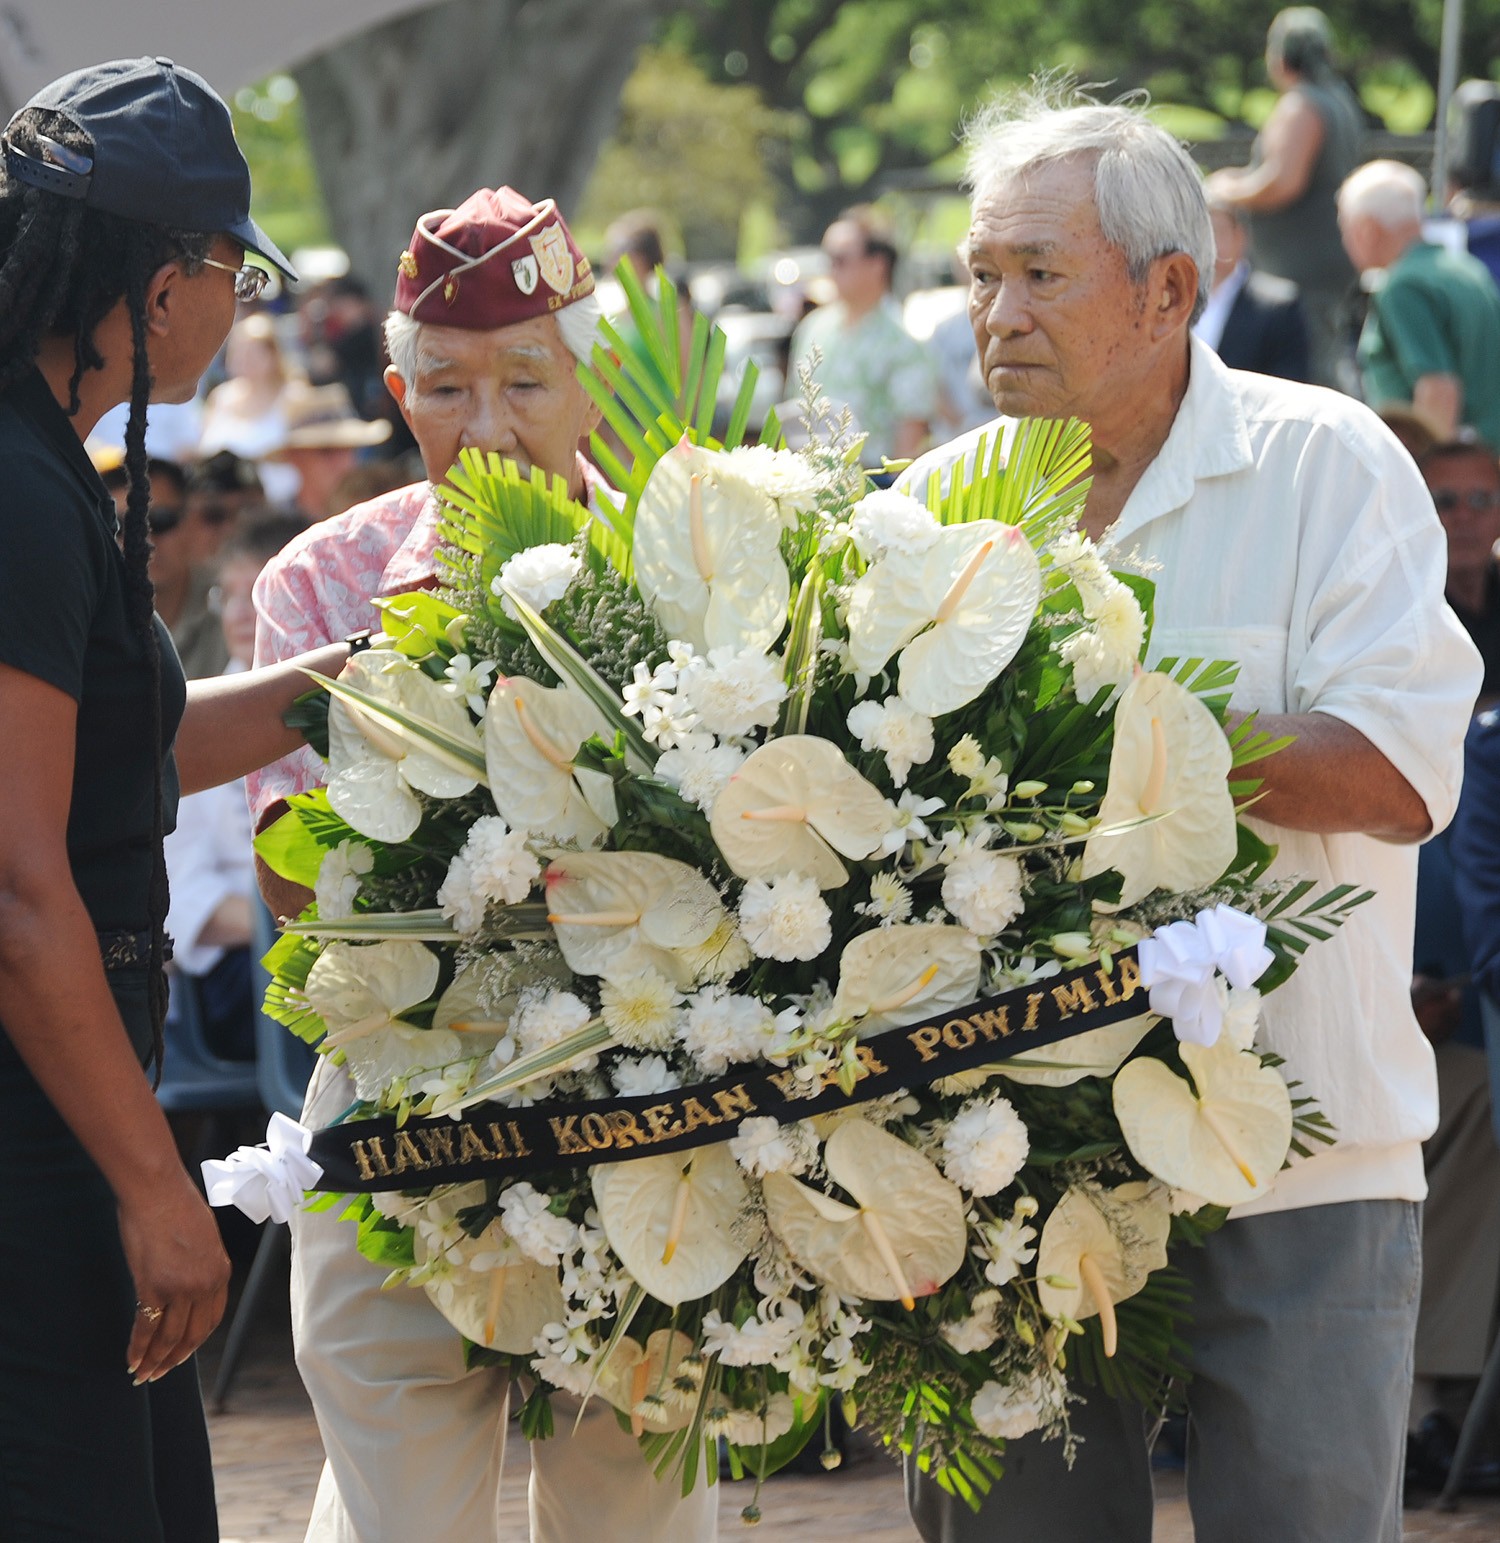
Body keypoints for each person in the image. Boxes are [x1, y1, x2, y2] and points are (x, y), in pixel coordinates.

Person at [898, 85, 1480, 1543]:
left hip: (1300, 1153)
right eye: (980, 272)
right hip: (1002, 1159)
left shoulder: (1328, 462)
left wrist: (1114, 725)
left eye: (1040, 271)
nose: (997, 311)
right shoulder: (920, 514)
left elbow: (1398, 774)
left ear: (1173, 286)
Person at [251, 186, 718, 1543]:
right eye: (447, 386)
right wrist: (405, 679)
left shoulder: (687, 562)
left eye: (527, 378)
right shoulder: (328, 581)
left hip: (653, 1095)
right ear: (397, 389)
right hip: (399, 1091)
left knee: (635, 1499)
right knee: (397, 1495)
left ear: (593, 383)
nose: (488, 420)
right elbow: (294, 887)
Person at [0, 56, 360, 1542]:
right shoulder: (19, 489)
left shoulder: (46, 462)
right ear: (163, 288)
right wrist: (157, 1191)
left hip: (66, 1118)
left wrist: (358, 673)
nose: (246, 303)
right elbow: (20, 890)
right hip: (41, 1143)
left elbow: (117, 749)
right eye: (237, 267)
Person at [165, 513, 305, 1061]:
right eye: (230, 595)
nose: (243, 614)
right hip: (239, 970)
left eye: (261, 592)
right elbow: (181, 900)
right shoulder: (199, 718)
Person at [1205, 7, 1364, 389]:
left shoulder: (1301, 106)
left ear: (1279, 57)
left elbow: (1282, 183)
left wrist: (1227, 188)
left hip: (1299, 266)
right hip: (1329, 255)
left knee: (1308, 369)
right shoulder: (1339, 99)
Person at [1338, 159, 1500, 448]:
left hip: (1457, 475)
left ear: (1366, 229)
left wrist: (1428, 479)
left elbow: (1438, 391)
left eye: (1345, 229)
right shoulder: (1465, 268)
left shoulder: (1402, 286)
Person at [788, 204, 938, 466]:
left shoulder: (905, 344)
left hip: (871, 492)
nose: (830, 269)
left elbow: (907, 451)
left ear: (877, 265)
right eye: (828, 259)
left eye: (841, 259)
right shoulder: (812, 329)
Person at [103, 455, 229, 679]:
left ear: (191, 521)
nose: (143, 540)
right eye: (122, 526)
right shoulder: (90, 617)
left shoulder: (233, 603)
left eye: (160, 520)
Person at [1418, 435, 1500, 706]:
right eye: (1445, 501)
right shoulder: (1393, 610)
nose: (1464, 516)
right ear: (1414, 508)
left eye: (1480, 500)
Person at [1194, 196, 1310, 380]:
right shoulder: (1178, 303)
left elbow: (1288, 382)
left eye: (1217, 231)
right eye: (1200, 233)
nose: (1210, 243)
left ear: (1240, 237)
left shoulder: (1278, 307)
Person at [199, 311, 302, 503]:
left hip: (280, 505)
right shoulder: (220, 397)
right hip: (222, 505)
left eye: (253, 352)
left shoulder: (293, 397)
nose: (244, 360)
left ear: (273, 354)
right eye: (238, 351)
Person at [265, 381, 391, 522]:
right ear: (295, 457)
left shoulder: (378, 517)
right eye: (327, 451)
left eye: (348, 448)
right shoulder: (275, 527)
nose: (342, 462)